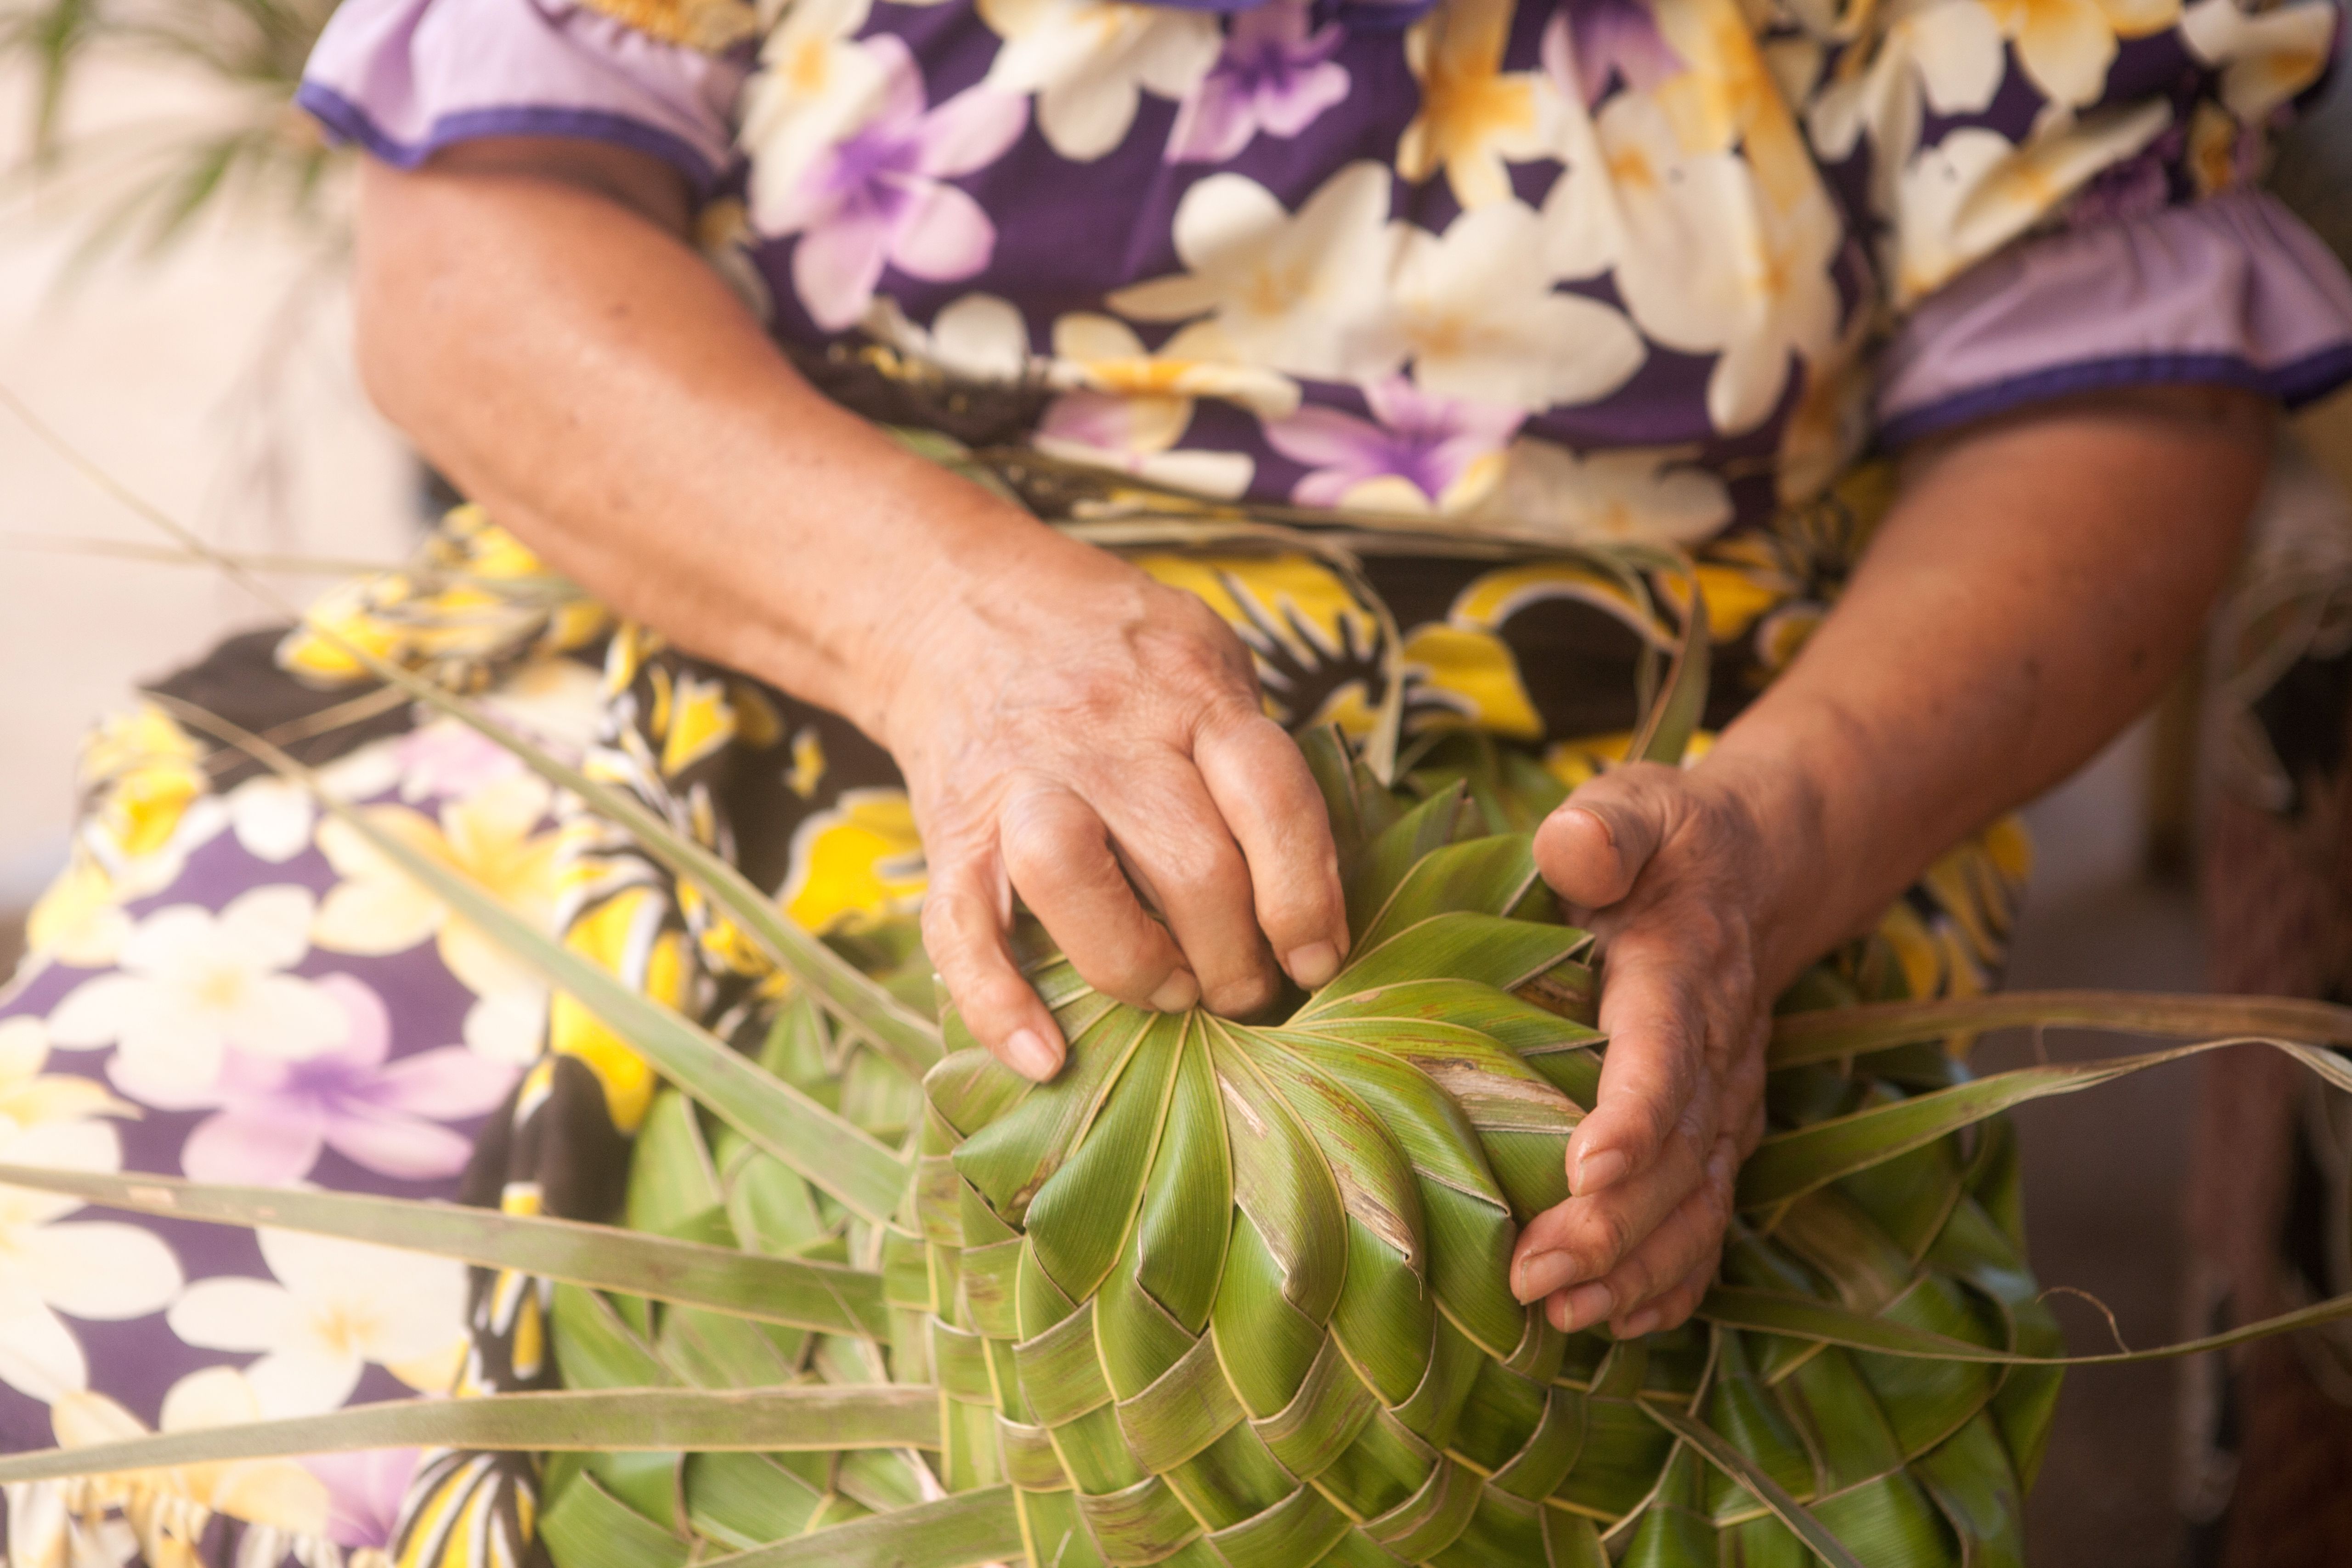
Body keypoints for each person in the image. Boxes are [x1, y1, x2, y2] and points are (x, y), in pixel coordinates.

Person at [2, 0, 2348, 1562]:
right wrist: (951, 622)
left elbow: (2113, 380)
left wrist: (1771, 841)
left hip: (1651, 779)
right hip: (774, 567)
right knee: (180, 1297)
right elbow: (470, 248)